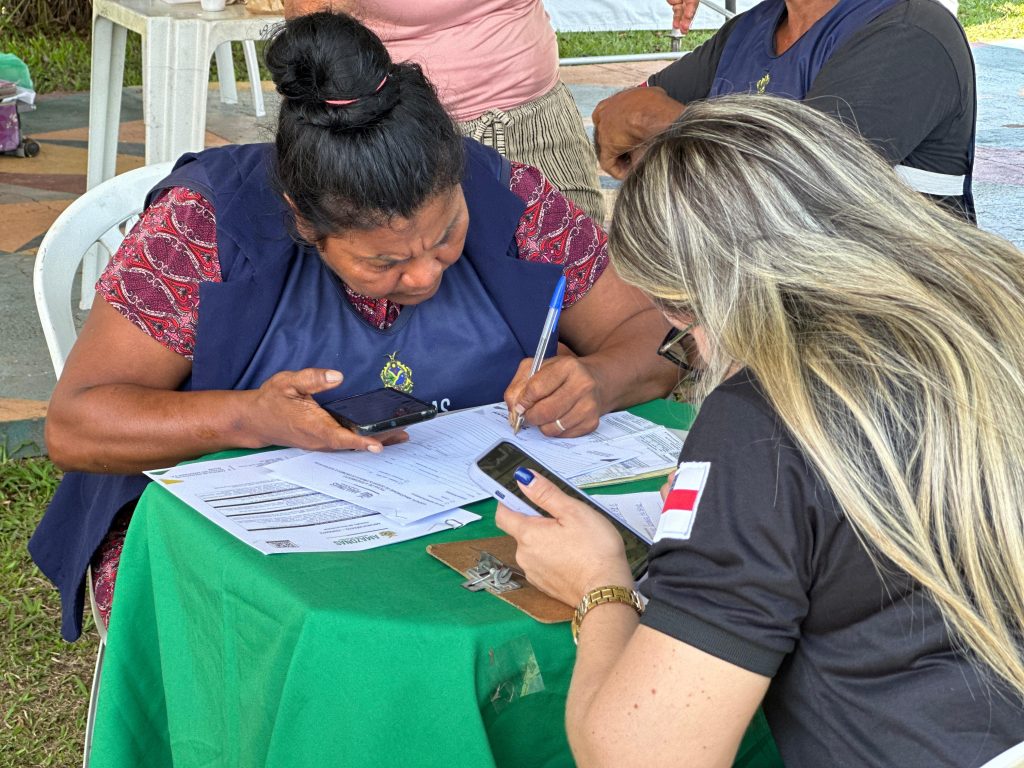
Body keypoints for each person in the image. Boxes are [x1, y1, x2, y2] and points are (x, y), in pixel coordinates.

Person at [31, 12, 677, 642]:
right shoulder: (205, 226)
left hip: (456, 522)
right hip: (231, 543)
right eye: (386, 262)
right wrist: (248, 418)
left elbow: (659, 333)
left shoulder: (508, 198)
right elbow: (76, 421)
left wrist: (599, 376)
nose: (425, 276)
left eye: (447, 234)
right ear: (304, 223)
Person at [496, 95, 1024, 766]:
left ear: (703, 301)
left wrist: (600, 588)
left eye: (683, 336)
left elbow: (645, 756)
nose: (701, 360)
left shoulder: (768, 416)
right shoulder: (999, 311)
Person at [593, 0, 977, 219]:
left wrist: (675, 126)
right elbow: (617, 123)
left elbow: (793, 201)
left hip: (889, 334)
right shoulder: (751, 29)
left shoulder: (908, 32)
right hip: (765, 319)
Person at [283, 0, 607, 224]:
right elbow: (314, 29)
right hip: (405, 137)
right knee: (429, 294)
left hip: (538, 119)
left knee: (573, 277)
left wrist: (657, 88)